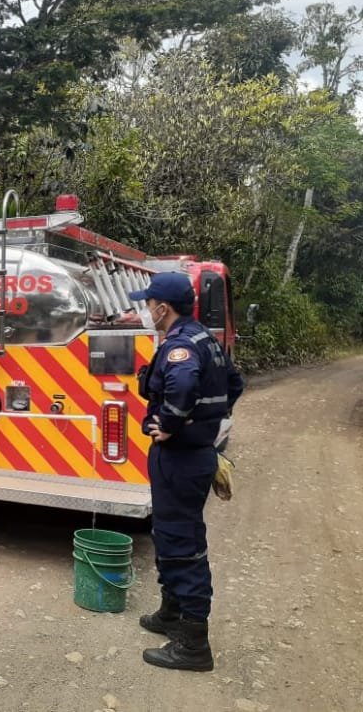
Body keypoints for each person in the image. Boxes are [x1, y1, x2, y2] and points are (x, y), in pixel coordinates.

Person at [128, 272, 244, 672]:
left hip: (180, 458)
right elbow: (234, 383)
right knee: (168, 533)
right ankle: (172, 613)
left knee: (182, 541)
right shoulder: (205, 339)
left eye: (148, 304)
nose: (146, 311)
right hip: (192, 455)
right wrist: (208, 419)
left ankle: (194, 645)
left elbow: (181, 383)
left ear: (163, 308)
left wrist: (173, 424)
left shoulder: (180, 346)